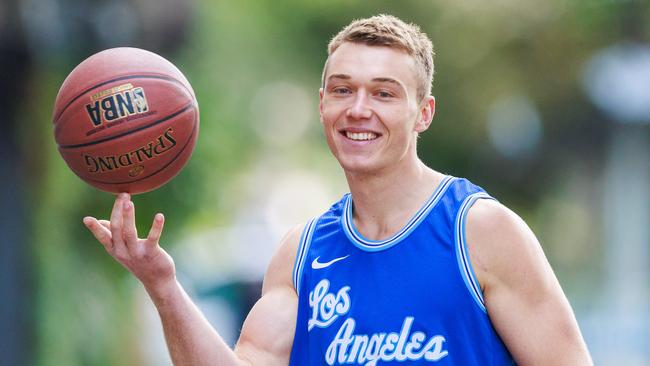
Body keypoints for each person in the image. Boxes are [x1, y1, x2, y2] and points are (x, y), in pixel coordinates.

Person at [83, 14, 593, 365]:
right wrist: (162, 284)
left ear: (424, 114)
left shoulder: (481, 232)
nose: (359, 108)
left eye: (384, 93)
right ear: (322, 103)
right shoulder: (301, 254)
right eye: (344, 89)